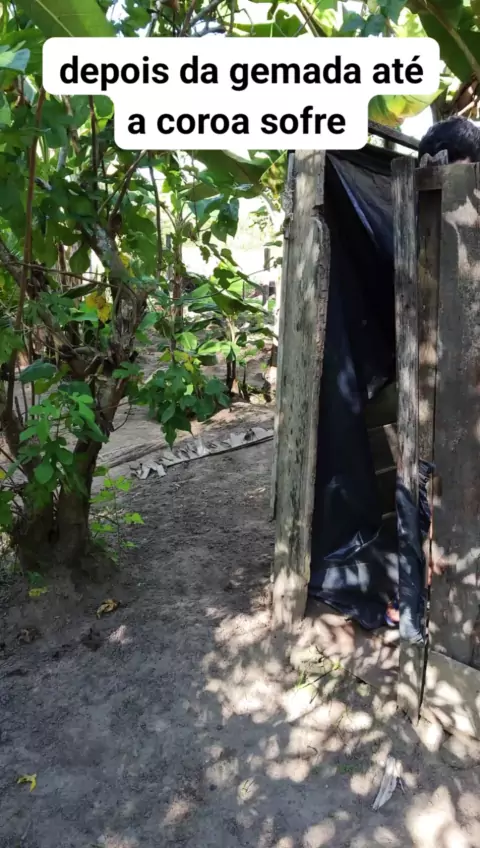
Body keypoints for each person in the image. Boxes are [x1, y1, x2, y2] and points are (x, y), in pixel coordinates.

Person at [384, 116, 480, 629]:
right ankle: (415, 613)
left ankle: (429, 614)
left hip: (456, 409)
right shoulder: (424, 225)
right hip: (431, 408)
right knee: (423, 504)